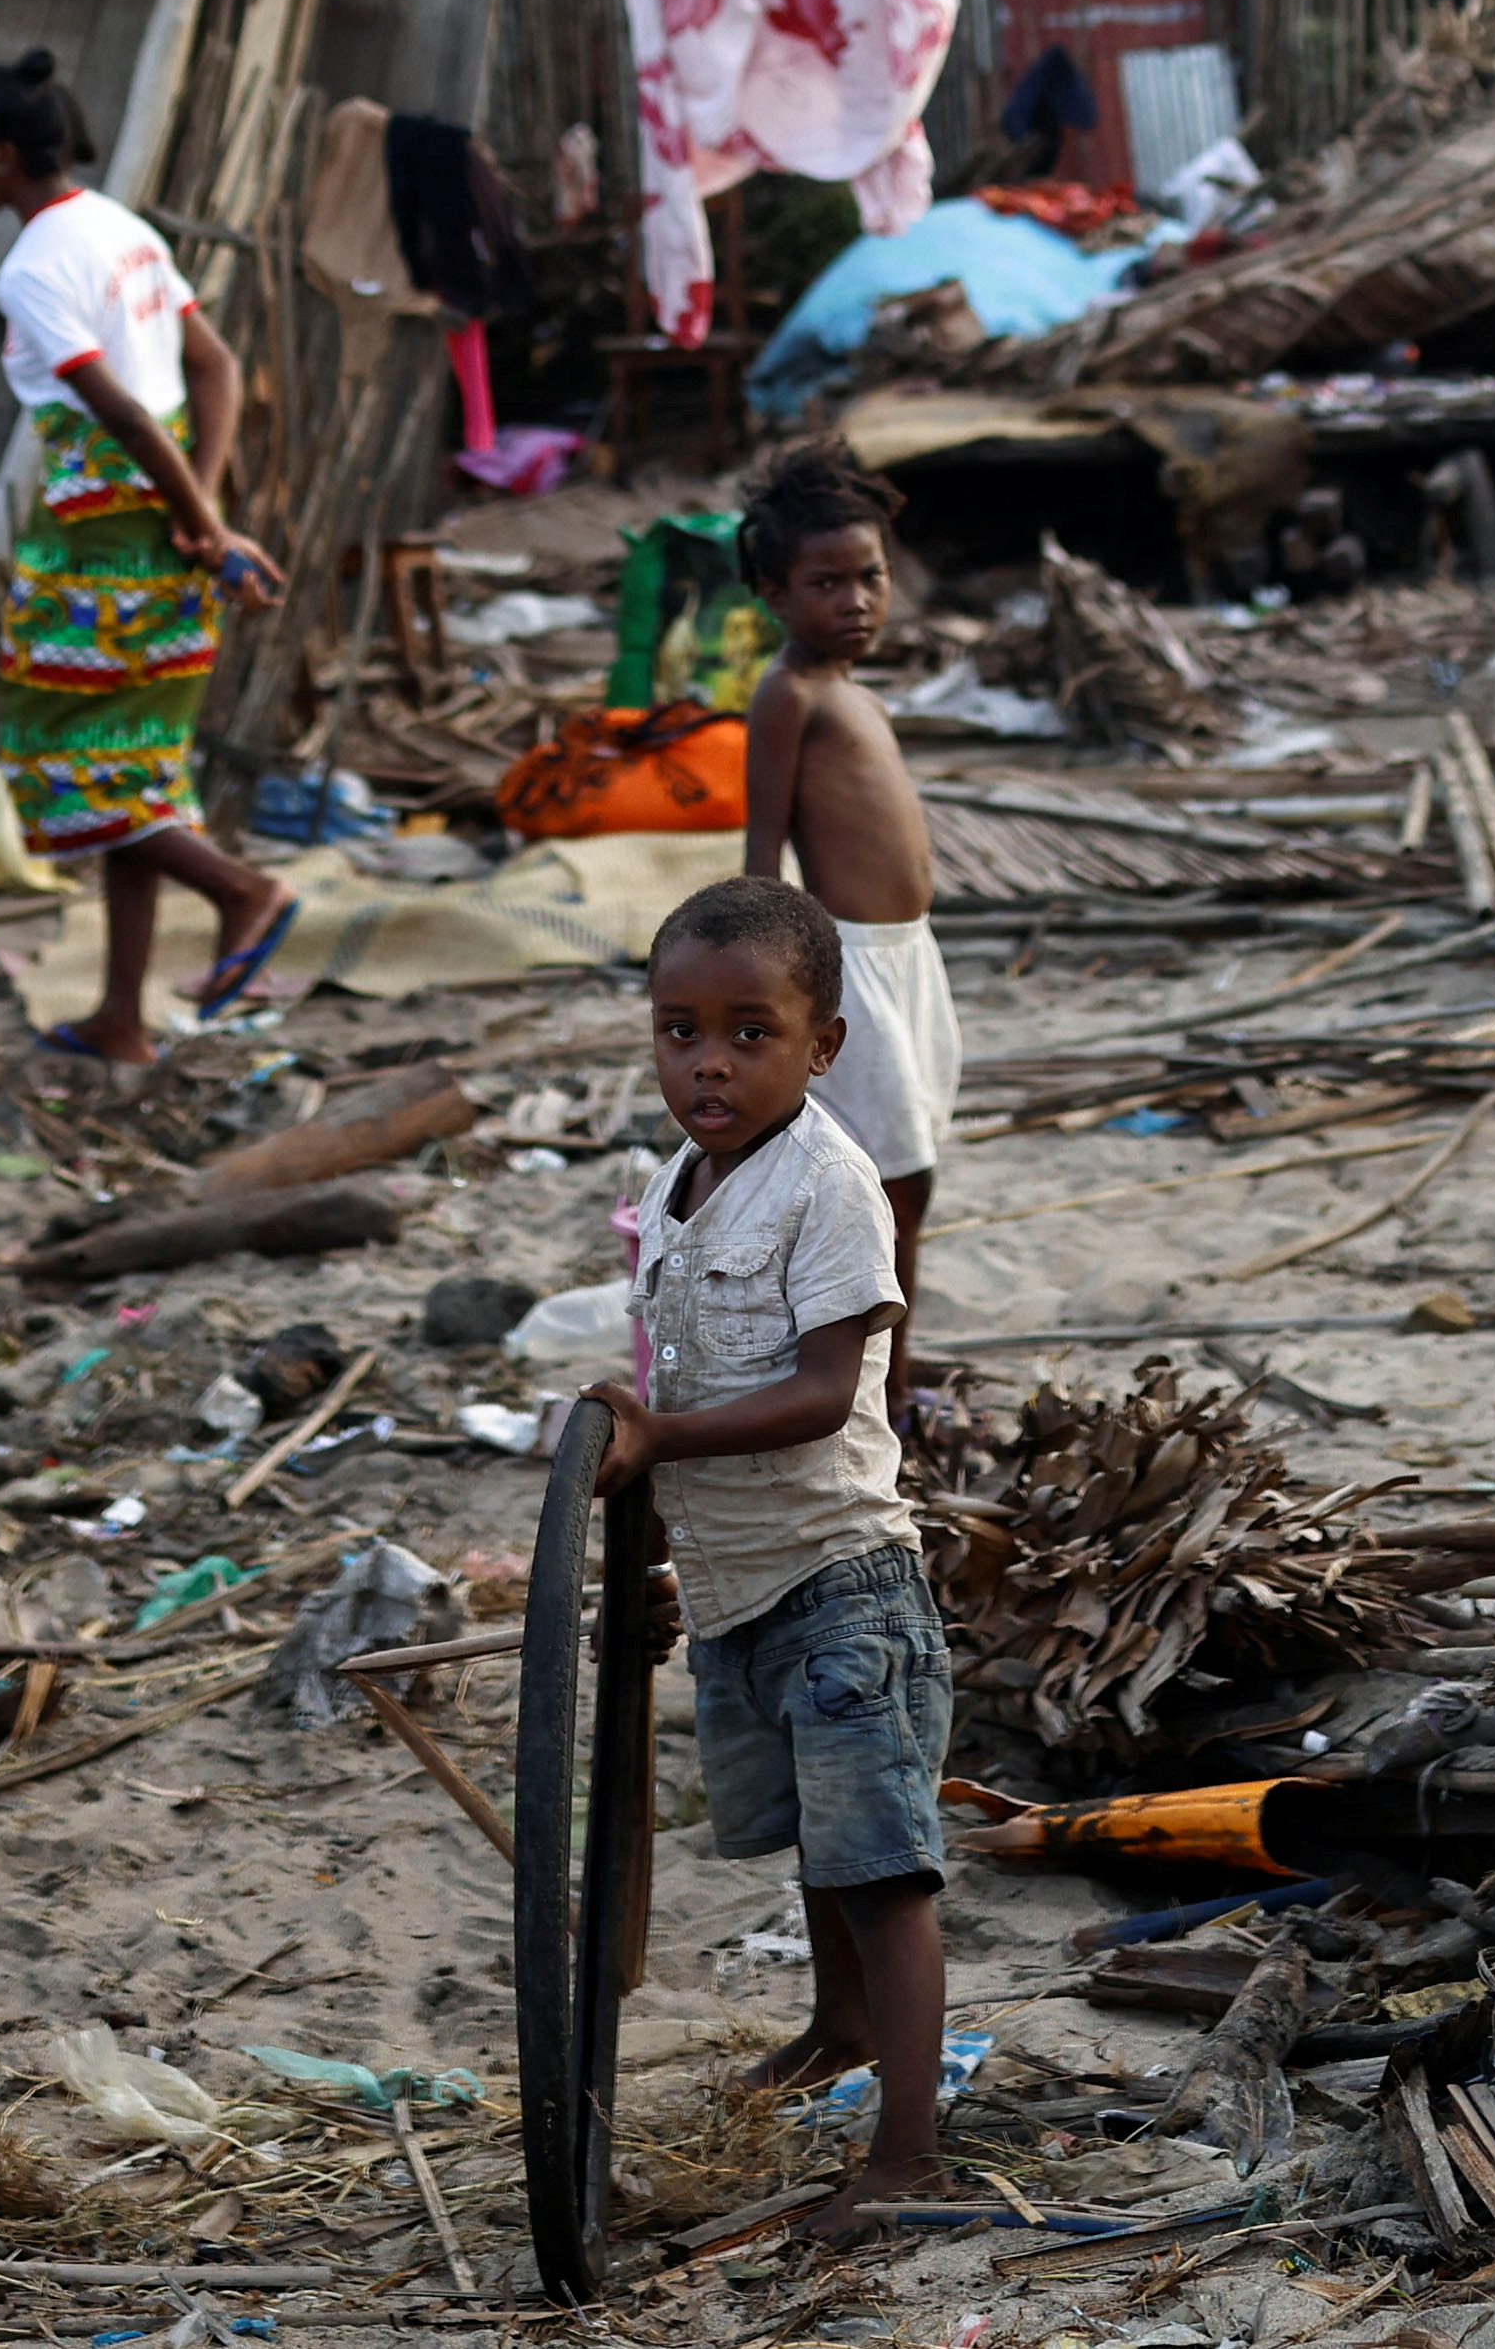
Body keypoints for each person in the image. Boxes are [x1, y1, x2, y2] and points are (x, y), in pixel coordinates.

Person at [590, 877, 956, 2233]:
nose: (709, 1062)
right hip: (744, 1580)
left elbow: (815, 1392)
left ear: (824, 1046)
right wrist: (657, 1537)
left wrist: (659, 1438)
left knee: (882, 1867)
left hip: (841, 1577)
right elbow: (663, 1373)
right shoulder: (673, 1185)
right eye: (680, 1030)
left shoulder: (832, 1187)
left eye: (751, 1033)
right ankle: (837, 2030)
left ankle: (907, 2158)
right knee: (819, 1837)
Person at [0, 52, 292, 1059]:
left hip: (102, 541)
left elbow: (122, 416)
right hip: (168, 521)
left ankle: (245, 892)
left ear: (4, 156)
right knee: (130, 769)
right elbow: (213, 367)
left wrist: (205, 520)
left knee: (51, 754)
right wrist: (205, 511)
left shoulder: (32, 266)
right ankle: (119, 1019)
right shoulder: (121, 228)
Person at [732, 437, 956, 1351]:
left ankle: (891, 1372)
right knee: (888, 1187)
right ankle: (878, 1392)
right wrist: (760, 988)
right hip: (852, 965)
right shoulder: (787, 694)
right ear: (776, 595)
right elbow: (762, 851)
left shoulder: (851, 691)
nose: (856, 599)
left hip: (910, 958)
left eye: (870, 575)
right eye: (826, 582)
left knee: (916, 1172)